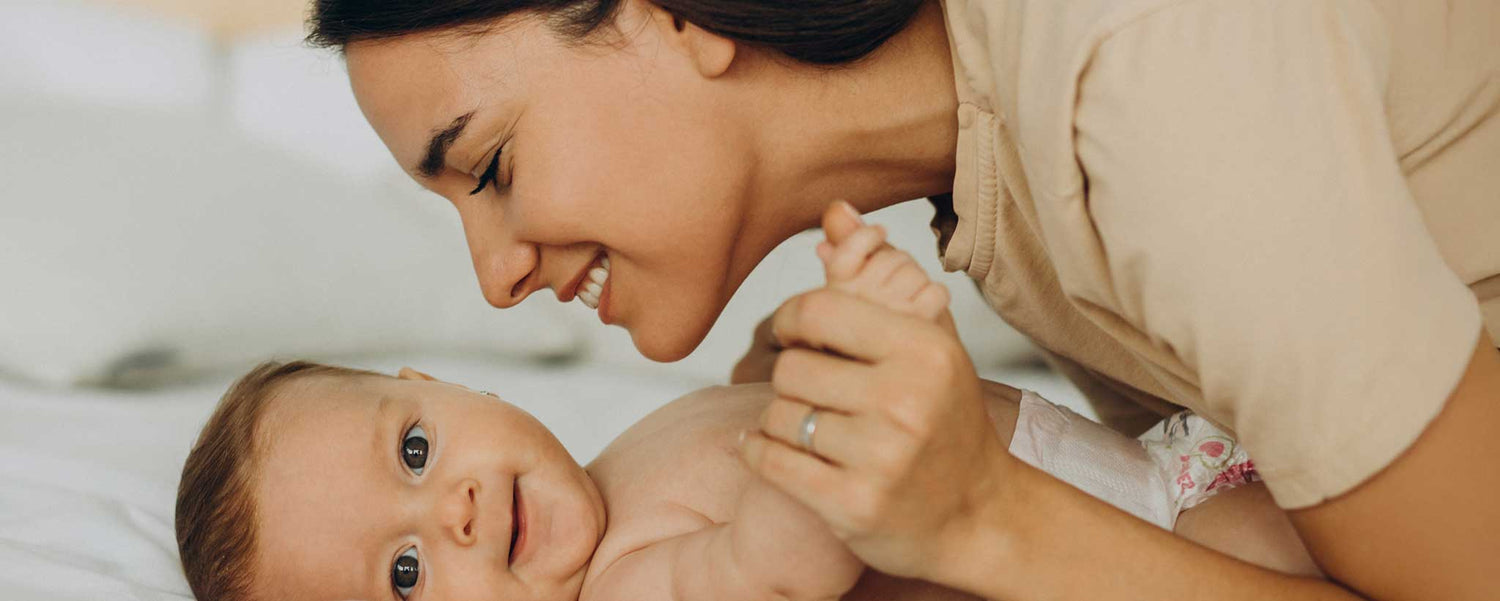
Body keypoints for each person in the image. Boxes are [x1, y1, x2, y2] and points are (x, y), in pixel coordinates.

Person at [308, 0, 1500, 599]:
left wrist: (983, 517)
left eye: (493, 167)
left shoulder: (1148, 92)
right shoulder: (988, 191)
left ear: (664, 18)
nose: (495, 279)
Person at [173, 219, 1317, 601]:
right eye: (408, 577)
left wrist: (781, 354)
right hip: (1139, 547)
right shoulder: (625, 585)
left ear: (446, 387)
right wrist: (863, 375)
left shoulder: (619, 462)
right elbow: (779, 563)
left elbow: (727, 427)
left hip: (1151, 467)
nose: (458, 513)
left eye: (416, 453)